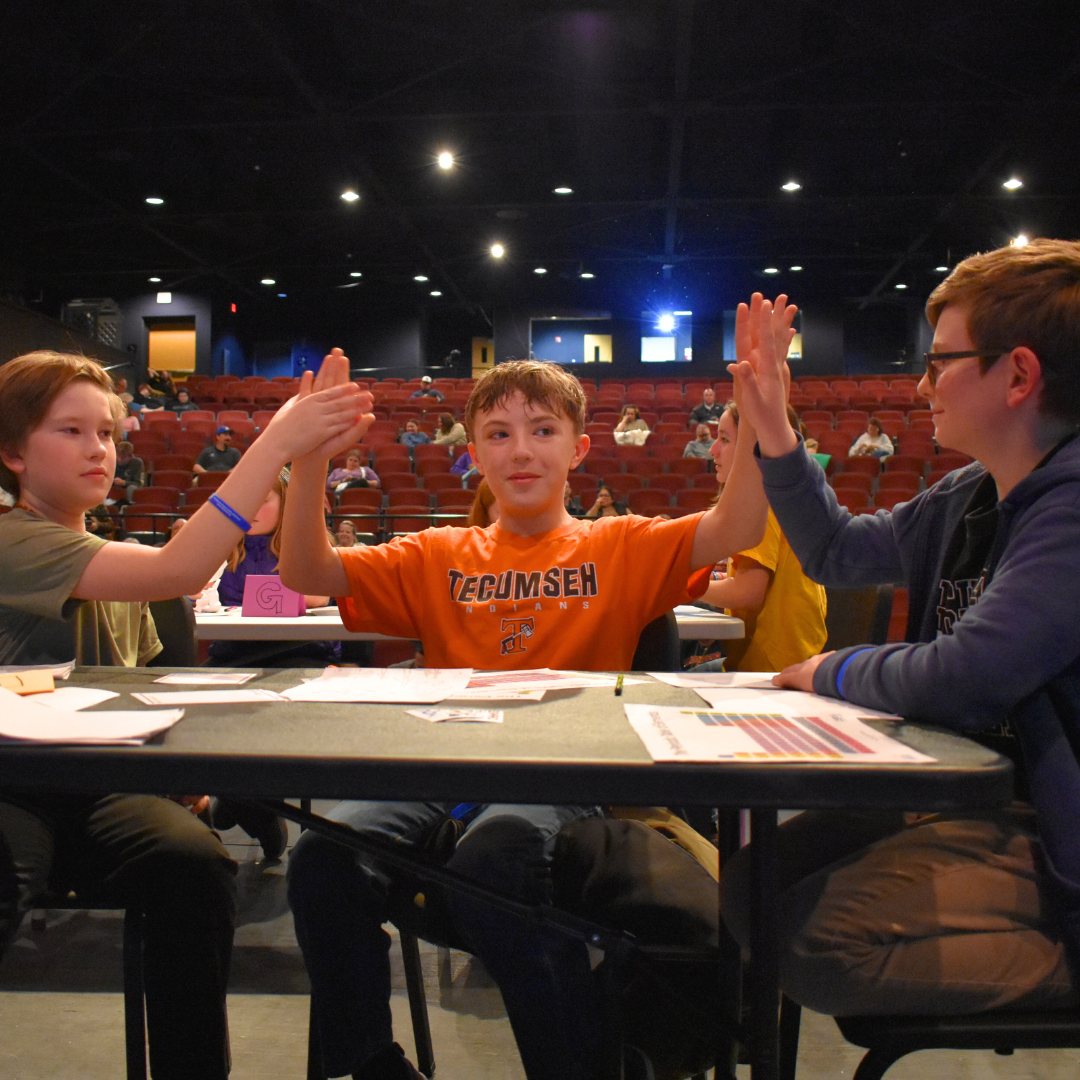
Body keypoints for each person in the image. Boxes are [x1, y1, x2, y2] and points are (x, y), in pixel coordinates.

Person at [277, 312, 792, 1080]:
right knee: (322, 858)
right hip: (445, 763)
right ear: (473, 453)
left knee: (498, 855)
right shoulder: (438, 551)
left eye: (543, 431)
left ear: (579, 449)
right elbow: (307, 574)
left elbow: (738, 521)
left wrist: (756, 420)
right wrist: (310, 461)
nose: (521, 450)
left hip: (561, 769)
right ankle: (374, 1063)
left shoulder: (619, 541)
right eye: (498, 434)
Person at [722, 241, 1080, 1021]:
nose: (921, 384)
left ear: (1019, 375)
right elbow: (837, 552)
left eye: (939, 361)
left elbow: (969, 674)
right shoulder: (968, 494)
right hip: (967, 792)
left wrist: (831, 668)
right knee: (750, 886)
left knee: (813, 943)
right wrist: (772, 425)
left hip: (1051, 827)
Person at [0, 348, 367, 1078]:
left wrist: (180, 764)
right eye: (69, 432)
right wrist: (276, 443)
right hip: (14, 782)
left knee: (194, 864)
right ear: (12, 452)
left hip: (102, 785)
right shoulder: (10, 538)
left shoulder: (106, 552)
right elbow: (182, 568)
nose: (98, 449)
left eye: (105, 433)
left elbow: (151, 687)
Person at [696, 402, 826, 672]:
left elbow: (748, 593)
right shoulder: (786, 497)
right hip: (792, 659)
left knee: (669, 674)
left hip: (769, 671)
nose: (712, 450)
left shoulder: (760, 502)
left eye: (724, 439)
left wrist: (684, 587)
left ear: (752, 447)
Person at [208, 470, 338, 669]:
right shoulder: (221, 547)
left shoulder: (308, 545)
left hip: (299, 649)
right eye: (244, 500)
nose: (249, 509)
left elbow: (319, 597)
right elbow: (198, 595)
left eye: (261, 500)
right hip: (233, 651)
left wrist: (264, 599)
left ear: (287, 504)